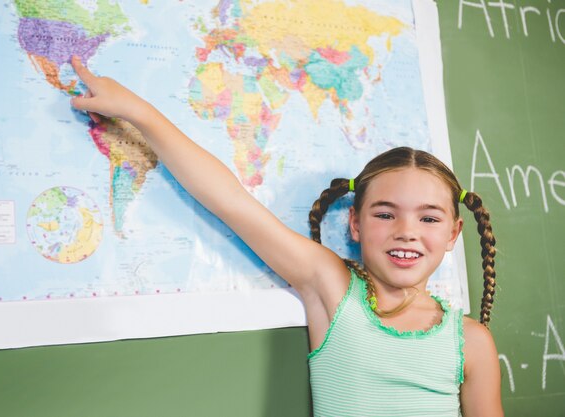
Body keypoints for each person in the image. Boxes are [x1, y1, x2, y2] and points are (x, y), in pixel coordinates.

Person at [69, 56, 503, 417]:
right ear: (355, 223)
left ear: (453, 232)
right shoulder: (332, 289)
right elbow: (231, 201)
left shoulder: (470, 342)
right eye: (385, 214)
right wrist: (138, 112)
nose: (406, 232)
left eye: (428, 219)